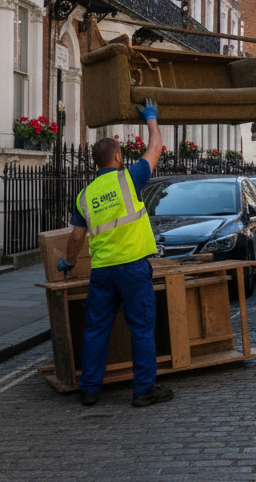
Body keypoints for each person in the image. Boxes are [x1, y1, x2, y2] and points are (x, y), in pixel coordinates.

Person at [57, 99, 171, 408]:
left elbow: (77, 237)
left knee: (96, 330)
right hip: (133, 268)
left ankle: (89, 390)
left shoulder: (84, 196)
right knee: (141, 328)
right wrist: (151, 119)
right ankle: (143, 390)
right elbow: (156, 148)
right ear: (118, 157)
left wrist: (67, 261)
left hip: (103, 272)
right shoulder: (129, 178)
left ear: (96, 162)